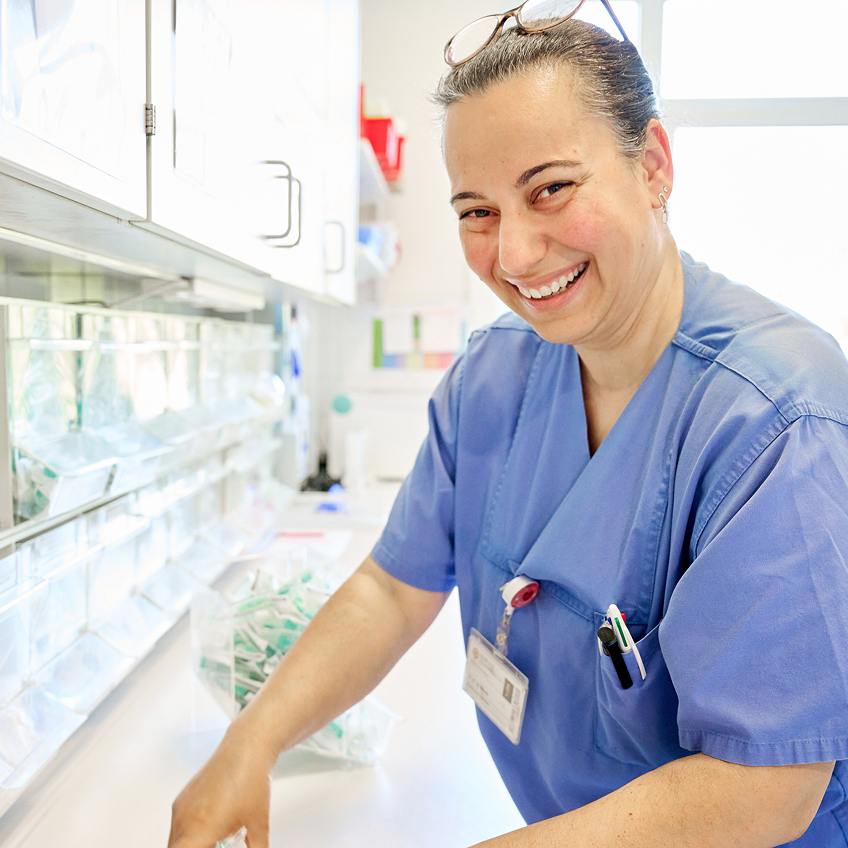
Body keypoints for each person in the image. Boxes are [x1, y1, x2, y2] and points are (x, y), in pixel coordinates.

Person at [169, 4, 848, 846]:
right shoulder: (493, 378)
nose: (517, 254)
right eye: (476, 211)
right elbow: (392, 588)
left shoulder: (781, 420)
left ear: (654, 165)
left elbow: (766, 788)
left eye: (551, 189)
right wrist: (253, 739)